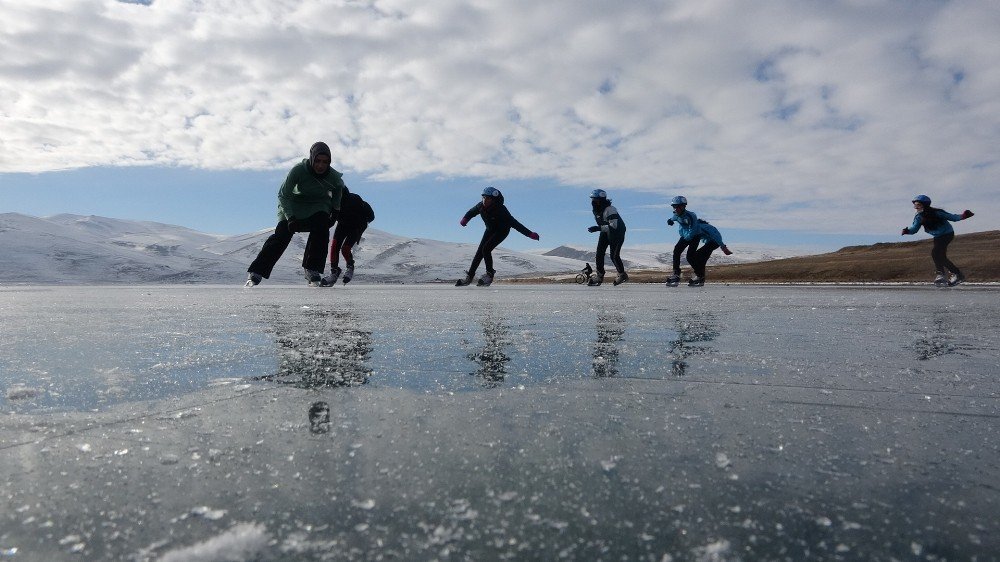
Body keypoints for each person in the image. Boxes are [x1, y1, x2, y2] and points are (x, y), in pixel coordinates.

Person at [246, 142, 345, 286]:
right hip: (292, 205)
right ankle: (256, 272)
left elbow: (338, 191)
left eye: (325, 162)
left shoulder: (333, 176)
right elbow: (283, 195)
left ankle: (312, 269)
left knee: (322, 228)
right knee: (281, 235)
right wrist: (290, 218)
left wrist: (335, 212)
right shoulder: (298, 170)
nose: (321, 166)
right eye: (317, 161)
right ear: (311, 159)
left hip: (317, 206)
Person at [456, 186, 540, 286]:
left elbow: (514, 223)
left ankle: (489, 276)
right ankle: (469, 278)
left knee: (486, 249)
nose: (485, 200)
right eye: (483, 197)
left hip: (501, 231)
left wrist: (529, 234)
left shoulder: (501, 210)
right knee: (479, 253)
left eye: (488, 198)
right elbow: (471, 212)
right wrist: (465, 218)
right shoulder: (480, 206)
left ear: (494, 200)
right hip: (490, 230)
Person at [901, 194, 974, 286]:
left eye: (918, 204)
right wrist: (907, 231)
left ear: (924, 205)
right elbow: (914, 229)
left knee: (935, 253)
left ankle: (941, 274)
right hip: (937, 237)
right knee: (941, 257)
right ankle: (957, 274)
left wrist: (964, 216)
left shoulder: (937, 213)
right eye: (915, 204)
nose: (915, 207)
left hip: (947, 234)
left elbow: (953, 217)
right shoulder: (919, 217)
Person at [665, 196, 731, 287]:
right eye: (674, 207)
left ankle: (700, 277)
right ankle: (678, 274)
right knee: (679, 251)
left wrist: (723, 247)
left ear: (684, 206)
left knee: (694, 257)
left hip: (713, 241)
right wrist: (670, 221)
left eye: (679, 206)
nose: (676, 209)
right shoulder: (677, 215)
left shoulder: (701, 226)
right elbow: (674, 217)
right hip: (689, 236)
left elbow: (716, 236)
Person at [323, 187, 375, 286]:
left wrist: (364, 224)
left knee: (345, 249)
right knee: (334, 247)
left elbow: (371, 215)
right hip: (343, 224)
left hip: (356, 225)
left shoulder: (354, 199)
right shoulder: (332, 202)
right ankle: (334, 272)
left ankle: (350, 267)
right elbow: (331, 217)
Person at [586, 189, 628, 286]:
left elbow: (614, 226)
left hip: (617, 233)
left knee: (614, 255)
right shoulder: (596, 210)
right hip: (605, 231)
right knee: (599, 253)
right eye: (593, 199)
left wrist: (598, 228)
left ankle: (622, 274)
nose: (593, 202)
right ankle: (599, 276)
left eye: (595, 199)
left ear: (602, 200)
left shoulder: (610, 209)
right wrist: (599, 228)